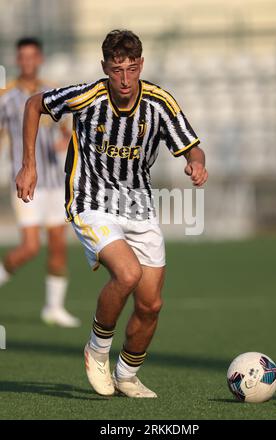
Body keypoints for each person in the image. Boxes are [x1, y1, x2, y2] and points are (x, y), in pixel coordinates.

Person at [15, 29, 208, 397]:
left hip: (138, 205)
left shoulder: (159, 102)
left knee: (151, 304)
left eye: (131, 69)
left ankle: (127, 374)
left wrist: (196, 164)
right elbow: (34, 104)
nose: (124, 78)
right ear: (105, 68)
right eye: (116, 69)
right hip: (90, 200)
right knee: (128, 273)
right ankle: (97, 350)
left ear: (141, 66)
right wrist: (29, 165)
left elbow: (192, 147)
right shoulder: (88, 95)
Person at [0, 37, 80, 328]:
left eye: (33, 56)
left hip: (54, 182)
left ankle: (54, 307)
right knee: (31, 247)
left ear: (40, 58)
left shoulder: (52, 92)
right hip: (26, 184)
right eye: (23, 56)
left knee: (58, 244)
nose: (28, 61)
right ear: (17, 60)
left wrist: (66, 140)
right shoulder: (6, 97)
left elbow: (67, 130)